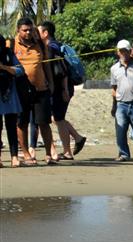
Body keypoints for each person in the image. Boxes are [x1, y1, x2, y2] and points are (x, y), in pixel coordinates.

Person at [38, 21, 85, 161]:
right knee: (57, 118)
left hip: (60, 88)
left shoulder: (52, 48)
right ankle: (76, 140)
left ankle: (69, 150)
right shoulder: (57, 46)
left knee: (58, 118)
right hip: (61, 88)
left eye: (38, 31)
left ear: (46, 33)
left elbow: (62, 71)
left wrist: (64, 89)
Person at [13, 18, 55, 165]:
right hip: (20, 91)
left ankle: (49, 154)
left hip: (41, 89)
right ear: (18, 30)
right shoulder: (11, 44)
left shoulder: (40, 45)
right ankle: (26, 155)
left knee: (44, 123)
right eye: (25, 30)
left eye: (30, 29)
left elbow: (46, 66)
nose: (28, 32)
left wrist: (51, 83)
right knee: (22, 123)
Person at [110, 38, 133, 162]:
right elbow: (114, 90)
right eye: (121, 51)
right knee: (120, 131)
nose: (123, 53)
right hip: (121, 104)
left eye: (126, 51)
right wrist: (114, 106)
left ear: (130, 51)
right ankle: (124, 154)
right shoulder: (114, 68)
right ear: (118, 52)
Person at [0, 35, 24, 167]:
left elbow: (20, 70)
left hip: (9, 95)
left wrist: (4, 68)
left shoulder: (8, 53)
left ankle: (14, 156)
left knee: (11, 127)